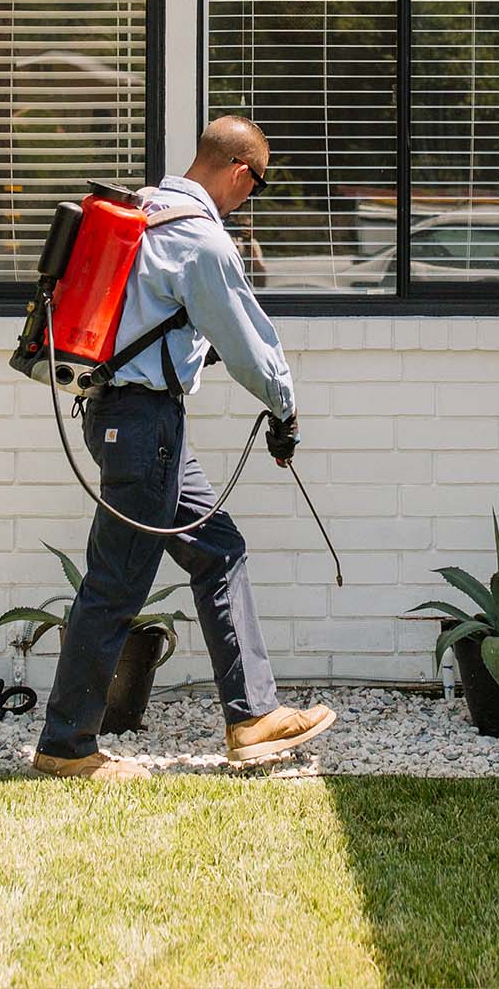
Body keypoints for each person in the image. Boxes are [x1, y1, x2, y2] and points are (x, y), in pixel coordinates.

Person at [33, 115, 335, 781]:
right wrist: (285, 409)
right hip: (147, 431)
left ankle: (252, 715)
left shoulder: (141, 213)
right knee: (114, 584)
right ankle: (66, 744)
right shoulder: (200, 242)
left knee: (217, 549)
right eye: (254, 184)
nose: (249, 197)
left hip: (122, 418)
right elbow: (248, 345)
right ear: (238, 171)